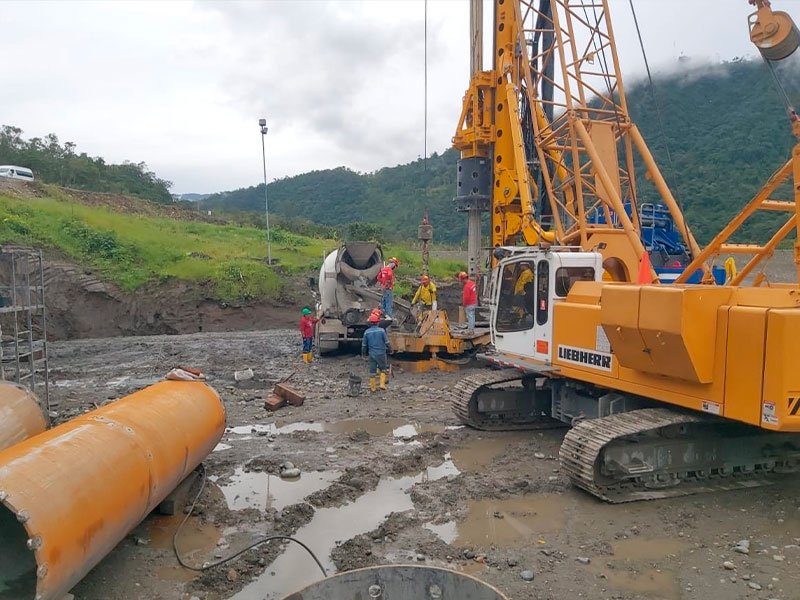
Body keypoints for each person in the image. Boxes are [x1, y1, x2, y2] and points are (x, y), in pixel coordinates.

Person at [362, 312, 391, 392]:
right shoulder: (382, 331)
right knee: (383, 369)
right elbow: (387, 342)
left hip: (372, 354)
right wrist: (390, 350)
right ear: (378, 322)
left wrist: (363, 354)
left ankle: (373, 388)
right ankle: (382, 384)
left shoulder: (366, 332)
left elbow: (364, 345)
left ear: (370, 323)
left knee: (372, 371)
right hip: (381, 353)